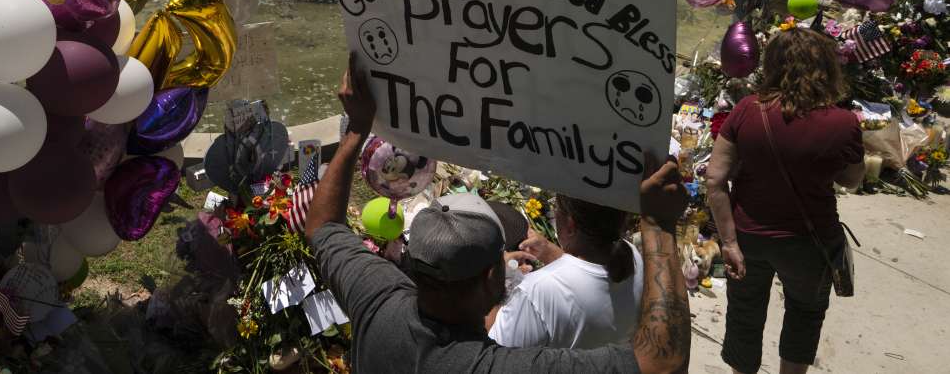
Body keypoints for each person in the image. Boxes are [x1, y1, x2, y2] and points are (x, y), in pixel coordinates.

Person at [305, 54, 691, 374]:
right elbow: (662, 363)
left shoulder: (377, 298)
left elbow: (321, 227)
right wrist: (658, 226)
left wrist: (357, 129)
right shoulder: (492, 365)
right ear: (494, 278)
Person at [705, 28, 864, 374]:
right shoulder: (844, 122)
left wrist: (728, 242)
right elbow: (852, 180)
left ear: (772, 65)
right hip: (812, 243)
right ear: (825, 68)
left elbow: (715, 180)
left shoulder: (747, 110)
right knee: (805, 314)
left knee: (745, 313)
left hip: (749, 238)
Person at [489, 195, 643, 349]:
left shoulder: (534, 292)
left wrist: (497, 276)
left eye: (556, 208)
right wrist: (550, 251)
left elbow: (494, 357)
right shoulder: (632, 254)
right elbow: (585, 276)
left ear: (570, 225)